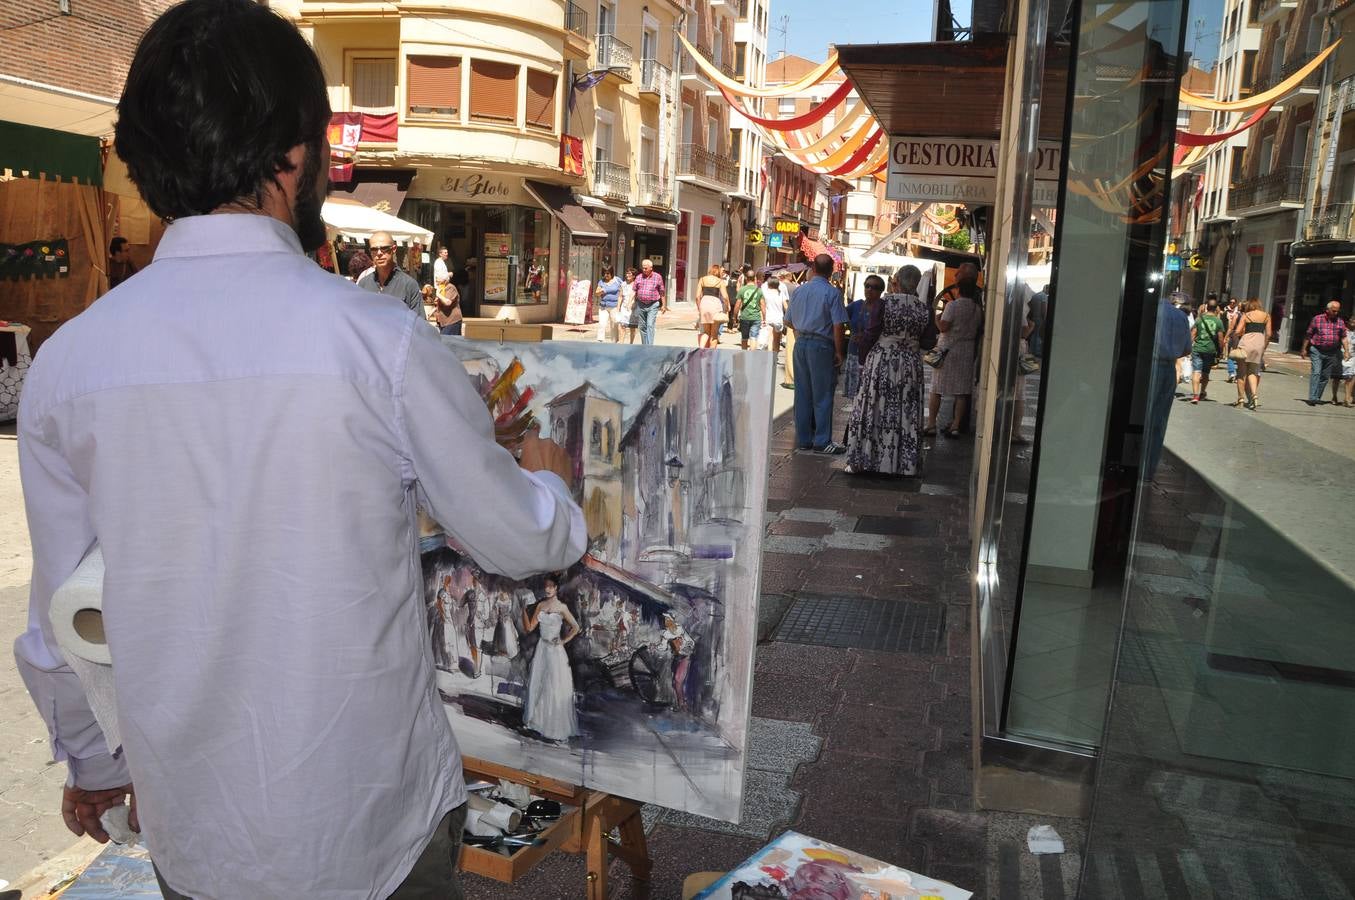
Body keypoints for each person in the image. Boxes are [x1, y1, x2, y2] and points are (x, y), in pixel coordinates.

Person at [14, 3, 587, 897]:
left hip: (196, 833)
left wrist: (91, 765)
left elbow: (60, 625)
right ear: (292, 154)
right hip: (368, 827)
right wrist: (548, 486)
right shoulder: (378, 340)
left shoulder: (69, 363)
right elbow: (520, 541)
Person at [846, 270, 928, 476]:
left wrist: (864, 360)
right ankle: (903, 464)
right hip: (910, 364)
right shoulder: (924, 308)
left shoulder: (885, 303)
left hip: (882, 361)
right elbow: (930, 340)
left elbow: (872, 332)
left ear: (897, 282)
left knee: (875, 408)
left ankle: (869, 459)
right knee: (904, 410)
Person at [786, 253, 848, 454]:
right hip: (821, 345)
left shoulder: (799, 291)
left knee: (802, 393)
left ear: (813, 268)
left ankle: (804, 439)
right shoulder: (832, 293)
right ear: (831, 271)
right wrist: (839, 352)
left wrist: (802, 331)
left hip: (801, 343)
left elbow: (788, 321)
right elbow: (838, 325)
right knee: (822, 394)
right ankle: (822, 441)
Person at [522, 575, 581, 741]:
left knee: (554, 685)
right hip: (542, 648)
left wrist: (562, 640)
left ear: (556, 588)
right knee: (538, 682)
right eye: (545, 586)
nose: (547, 589)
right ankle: (536, 723)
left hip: (555, 651)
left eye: (550, 586)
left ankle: (552, 726)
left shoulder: (562, 607)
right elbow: (529, 628)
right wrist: (523, 611)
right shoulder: (540, 605)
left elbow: (576, 627)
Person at [925, 270, 983, 439]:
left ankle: (931, 425)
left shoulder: (952, 306)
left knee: (937, 389)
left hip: (948, 351)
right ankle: (956, 426)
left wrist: (936, 319)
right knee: (961, 392)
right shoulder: (978, 310)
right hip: (967, 352)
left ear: (958, 290)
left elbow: (944, 327)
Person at [1146, 295, 1192, 478]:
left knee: (1144, 416)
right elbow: (1187, 349)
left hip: (1150, 366)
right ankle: (1149, 469)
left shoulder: (1151, 312)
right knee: (1159, 421)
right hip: (1168, 370)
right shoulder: (1180, 316)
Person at [1299, 300, 1350, 406]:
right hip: (1317, 350)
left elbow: (1344, 337)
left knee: (1325, 376)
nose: (1336, 313)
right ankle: (1312, 397)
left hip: (1331, 352)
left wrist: (1346, 351)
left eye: (1337, 311)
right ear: (1327, 310)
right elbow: (1309, 334)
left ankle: (1317, 396)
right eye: (1334, 311)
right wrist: (1304, 349)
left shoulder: (1340, 322)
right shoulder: (1317, 319)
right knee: (1316, 372)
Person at [358, 230, 423, 313]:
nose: (379, 253)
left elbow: (419, 323)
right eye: (374, 249)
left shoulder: (409, 285)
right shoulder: (363, 284)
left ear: (394, 249)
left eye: (384, 248)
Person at [1226, 298, 1270, 409]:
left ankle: (1240, 399)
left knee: (1241, 373)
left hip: (1246, 343)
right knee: (1253, 372)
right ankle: (1254, 396)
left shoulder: (1246, 315)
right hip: (1259, 343)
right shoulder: (1266, 316)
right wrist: (1263, 347)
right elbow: (1269, 334)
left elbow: (1238, 331)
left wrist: (1235, 339)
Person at [1189, 298, 1225, 404]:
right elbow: (1220, 339)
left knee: (1196, 371)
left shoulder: (1199, 319)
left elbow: (1193, 334)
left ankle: (1195, 396)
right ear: (1216, 309)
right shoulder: (1218, 321)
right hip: (1210, 350)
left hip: (1198, 349)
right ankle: (1202, 391)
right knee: (1205, 373)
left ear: (1207, 307)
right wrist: (1221, 351)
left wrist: (1188, 347)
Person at [842, 292, 871, 399]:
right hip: (854, 351)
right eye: (867, 286)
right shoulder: (856, 305)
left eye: (875, 287)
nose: (870, 289)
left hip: (871, 354)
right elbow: (841, 317)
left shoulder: (881, 308)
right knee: (853, 394)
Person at [633, 258, 666, 345]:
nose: (644, 270)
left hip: (653, 304)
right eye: (643, 268)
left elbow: (662, 291)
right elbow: (634, 290)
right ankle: (645, 345)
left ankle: (650, 345)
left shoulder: (658, 277)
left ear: (651, 268)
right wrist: (631, 302)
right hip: (641, 304)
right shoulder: (638, 277)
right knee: (642, 326)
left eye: (645, 268)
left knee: (650, 324)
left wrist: (664, 305)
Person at [695, 264, 729, 349]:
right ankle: (712, 355)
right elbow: (725, 297)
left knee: (706, 332)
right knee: (714, 334)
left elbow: (697, 296)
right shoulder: (720, 281)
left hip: (704, 303)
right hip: (715, 304)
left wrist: (699, 307)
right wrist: (727, 306)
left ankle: (701, 349)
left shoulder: (702, 279)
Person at [734, 272, 765, 350]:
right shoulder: (759, 290)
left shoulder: (742, 289)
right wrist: (764, 317)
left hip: (744, 317)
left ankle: (744, 355)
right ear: (754, 278)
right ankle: (752, 356)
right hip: (756, 317)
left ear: (746, 278)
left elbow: (737, 305)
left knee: (744, 338)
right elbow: (763, 305)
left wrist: (734, 317)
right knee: (753, 337)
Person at [594, 264, 623, 343]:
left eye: (608, 273)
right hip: (603, 306)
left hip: (614, 306)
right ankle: (600, 341)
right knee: (602, 324)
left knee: (614, 325)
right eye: (604, 273)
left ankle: (614, 342)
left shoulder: (617, 280)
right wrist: (601, 291)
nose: (606, 275)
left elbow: (623, 290)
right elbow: (596, 293)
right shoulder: (601, 282)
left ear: (612, 273)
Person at [761, 272, 787, 354]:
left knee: (770, 339)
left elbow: (762, 306)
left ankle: (769, 357)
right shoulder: (781, 293)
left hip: (768, 318)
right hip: (779, 318)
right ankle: (775, 357)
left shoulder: (765, 293)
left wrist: (762, 317)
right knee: (776, 340)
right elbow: (786, 306)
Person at [617, 268, 638, 344]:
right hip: (624, 307)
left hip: (634, 308)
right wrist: (618, 307)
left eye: (630, 274)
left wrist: (633, 303)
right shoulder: (623, 284)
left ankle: (631, 343)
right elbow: (620, 296)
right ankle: (621, 342)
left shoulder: (636, 284)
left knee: (632, 327)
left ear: (634, 276)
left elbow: (637, 296)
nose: (628, 275)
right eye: (627, 273)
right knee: (622, 325)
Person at [1027, 284, 1049, 357]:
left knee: (1034, 334)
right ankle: (1036, 352)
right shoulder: (1044, 296)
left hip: (1033, 317)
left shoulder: (1036, 295)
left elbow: (1030, 305)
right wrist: (1045, 319)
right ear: (1047, 289)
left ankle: (1031, 350)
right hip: (1040, 319)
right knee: (1038, 335)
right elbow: (1044, 309)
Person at [1342, 313, 1355, 407]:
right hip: (1345, 356)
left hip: (1354, 357)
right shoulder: (1344, 331)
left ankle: (1348, 397)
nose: (1353, 323)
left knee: (1353, 377)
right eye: (1352, 321)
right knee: (1348, 377)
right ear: (1348, 322)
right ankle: (1347, 398)